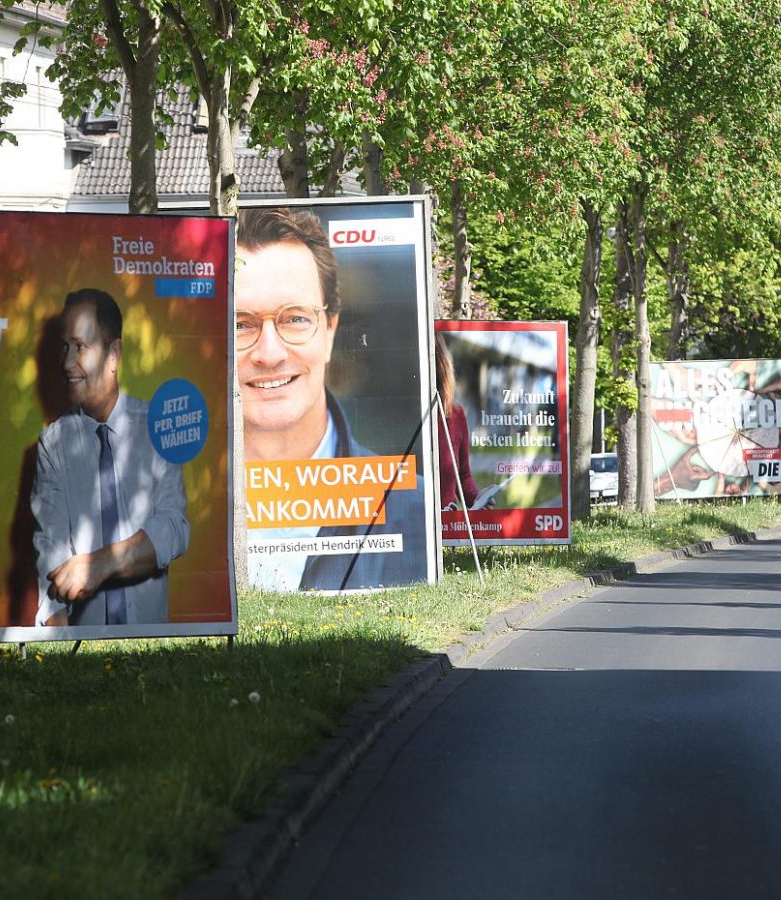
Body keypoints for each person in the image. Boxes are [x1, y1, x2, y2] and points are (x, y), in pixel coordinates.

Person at [236, 207, 426, 591]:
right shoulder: (163, 509)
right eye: (239, 324)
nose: (269, 354)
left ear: (330, 331)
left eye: (295, 318)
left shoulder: (411, 509)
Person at [31, 288, 189, 626]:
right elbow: (51, 548)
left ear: (114, 355)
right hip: (82, 652)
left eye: (81, 347)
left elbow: (174, 527)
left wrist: (100, 564)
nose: (67, 362)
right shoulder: (54, 444)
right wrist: (55, 645)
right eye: (64, 347)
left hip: (152, 649)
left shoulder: (157, 427)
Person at [435, 333, 480, 511]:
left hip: (448, 529)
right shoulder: (405, 417)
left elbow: (463, 476)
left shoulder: (456, 415)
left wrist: (478, 499)